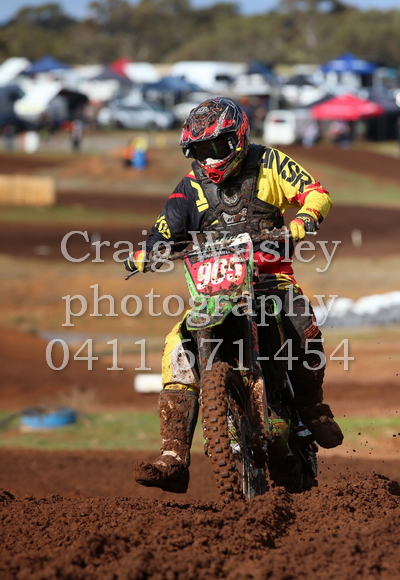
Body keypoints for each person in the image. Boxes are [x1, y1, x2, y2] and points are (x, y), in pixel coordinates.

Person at [124, 97, 343, 494]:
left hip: (269, 279)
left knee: (300, 323)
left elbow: (316, 193)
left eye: (217, 146)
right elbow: (164, 230)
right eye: (201, 150)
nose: (210, 157)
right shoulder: (190, 187)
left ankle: (313, 407)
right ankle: (173, 457)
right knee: (177, 348)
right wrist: (148, 252)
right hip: (214, 291)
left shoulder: (268, 163)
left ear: (238, 138)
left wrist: (303, 220)